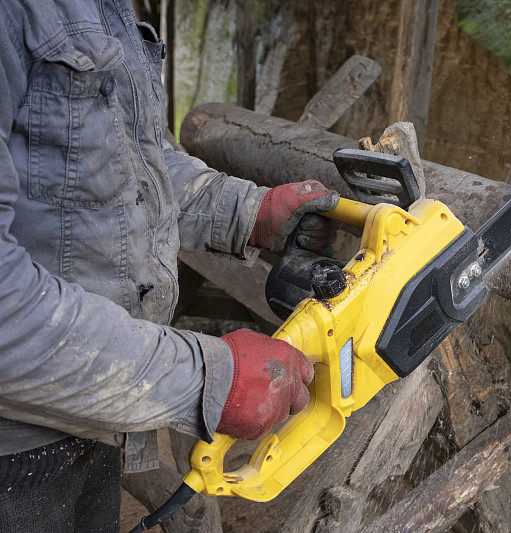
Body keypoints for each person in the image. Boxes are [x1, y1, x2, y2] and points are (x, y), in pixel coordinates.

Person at [0, 1, 340, 530]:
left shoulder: (105, 8)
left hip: (91, 416)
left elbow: (131, 164)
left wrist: (249, 213)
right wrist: (204, 378)